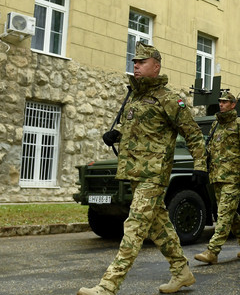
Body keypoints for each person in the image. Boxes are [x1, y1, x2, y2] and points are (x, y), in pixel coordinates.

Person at [78, 42, 206, 295]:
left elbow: (193, 134)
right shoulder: (135, 97)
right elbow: (138, 130)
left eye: (141, 62)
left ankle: (108, 285)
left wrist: (200, 165)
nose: (135, 66)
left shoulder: (170, 100)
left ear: (156, 67)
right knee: (159, 227)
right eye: (134, 62)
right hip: (135, 172)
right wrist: (116, 134)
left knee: (134, 226)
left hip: (154, 174)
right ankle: (182, 272)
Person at [193, 91, 240, 265]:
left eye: (225, 102)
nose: (221, 104)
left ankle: (213, 251)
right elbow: (209, 149)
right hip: (217, 176)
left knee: (223, 214)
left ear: (233, 104)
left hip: (233, 176)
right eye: (220, 101)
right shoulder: (216, 125)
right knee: (229, 214)